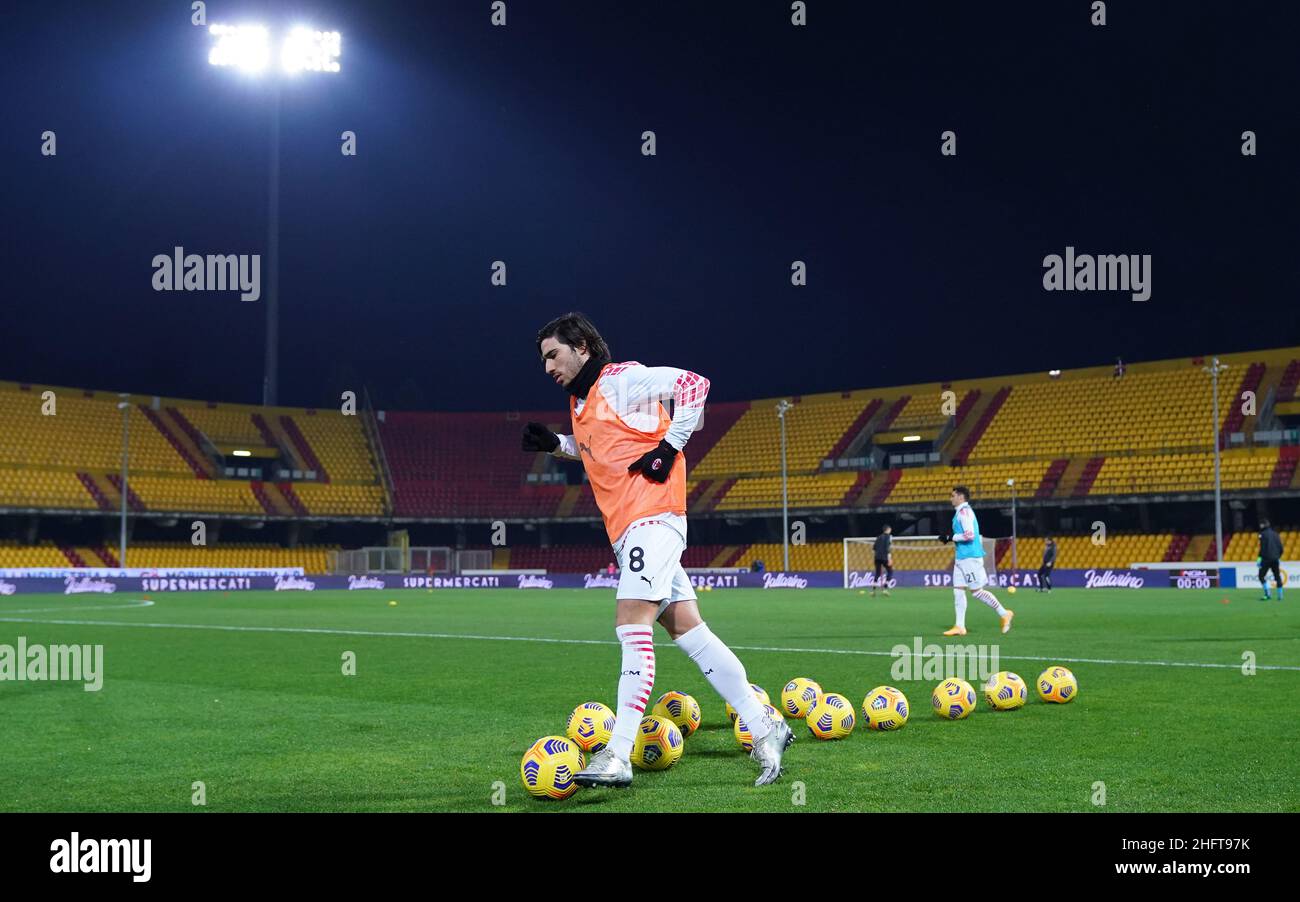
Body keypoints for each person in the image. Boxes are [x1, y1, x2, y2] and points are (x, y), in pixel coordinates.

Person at [521, 312, 793, 788]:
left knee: (631, 622)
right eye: (542, 358)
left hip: (653, 519)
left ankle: (618, 753)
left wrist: (670, 446)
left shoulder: (622, 379)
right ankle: (765, 725)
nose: (547, 367)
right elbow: (605, 449)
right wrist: (557, 444)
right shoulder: (581, 402)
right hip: (630, 531)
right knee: (691, 632)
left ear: (581, 346)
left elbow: (694, 383)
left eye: (552, 354)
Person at [940, 486, 1014, 635]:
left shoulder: (965, 512)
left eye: (953, 495)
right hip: (961, 557)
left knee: (976, 592)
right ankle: (960, 626)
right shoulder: (960, 513)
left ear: (961, 497)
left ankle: (1004, 613)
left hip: (970, 557)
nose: (951, 498)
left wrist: (950, 537)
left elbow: (970, 535)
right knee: (958, 590)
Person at [1257, 519, 1285, 601]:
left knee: (1261, 576)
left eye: (1261, 524)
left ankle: (1267, 594)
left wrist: (1259, 559)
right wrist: (1278, 556)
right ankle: (1280, 596)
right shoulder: (1276, 534)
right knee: (1277, 576)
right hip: (1275, 559)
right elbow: (1281, 548)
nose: (1260, 526)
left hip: (1266, 559)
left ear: (1264, 525)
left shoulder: (1262, 534)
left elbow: (1262, 548)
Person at [871, 525, 893, 596]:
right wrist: (889, 559)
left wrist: (875, 557)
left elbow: (873, 549)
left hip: (877, 557)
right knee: (890, 571)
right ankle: (885, 589)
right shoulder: (889, 537)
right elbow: (888, 549)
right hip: (884, 557)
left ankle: (873, 591)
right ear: (888, 529)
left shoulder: (878, 537)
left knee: (877, 573)